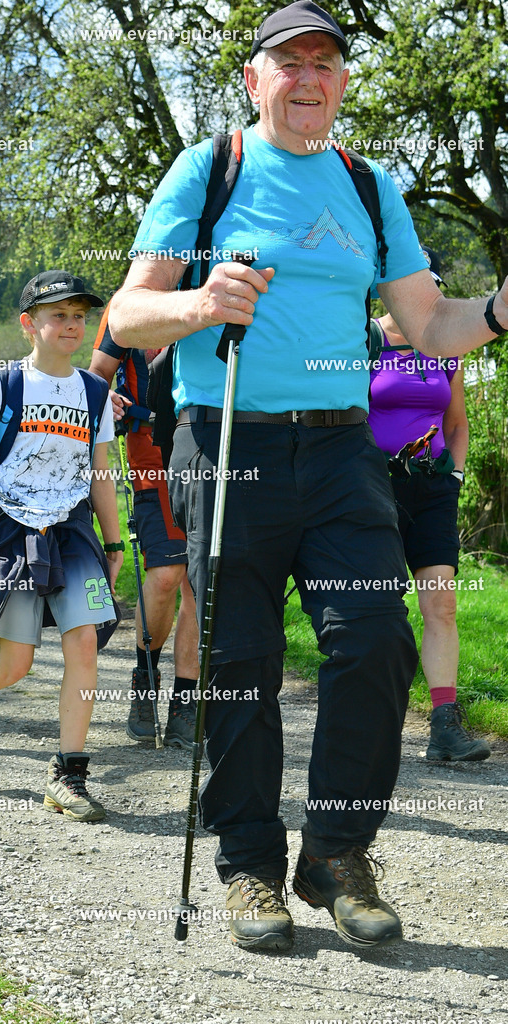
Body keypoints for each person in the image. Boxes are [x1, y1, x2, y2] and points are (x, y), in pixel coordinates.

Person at [109, 0, 508, 954]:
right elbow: (126, 317)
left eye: (326, 63)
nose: (311, 78)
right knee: (240, 659)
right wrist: (201, 301)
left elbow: (430, 327)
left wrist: (496, 305)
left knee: (372, 639)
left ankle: (335, 854)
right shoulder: (211, 170)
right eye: (290, 62)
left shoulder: (370, 189)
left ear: (340, 83)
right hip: (228, 433)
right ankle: (249, 866)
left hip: (340, 449)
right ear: (255, 80)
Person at [0, 270, 123, 823]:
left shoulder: (94, 392)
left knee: (82, 644)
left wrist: (114, 543)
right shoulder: (1, 384)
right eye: (58, 315)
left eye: (79, 316)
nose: (71, 325)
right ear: (29, 324)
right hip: (13, 531)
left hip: (72, 532)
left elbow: (100, 474)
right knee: (16, 662)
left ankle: (68, 776)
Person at [368, 246, 490, 762]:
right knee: (378, 608)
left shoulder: (444, 346)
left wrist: (455, 475)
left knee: (441, 602)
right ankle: (372, 721)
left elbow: (457, 421)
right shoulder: (365, 338)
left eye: (432, 284)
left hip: (433, 487)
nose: (426, 293)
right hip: (374, 488)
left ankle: (444, 726)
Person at [89, 303, 200, 749]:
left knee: (200, 583)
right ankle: (145, 675)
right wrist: (108, 399)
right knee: (166, 575)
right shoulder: (127, 307)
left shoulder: (212, 293)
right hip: (152, 463)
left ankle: (186, 703)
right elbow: (97, 376)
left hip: (210, 461)